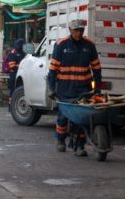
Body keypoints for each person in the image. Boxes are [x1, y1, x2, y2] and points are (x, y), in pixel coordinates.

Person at [47, 19, 102, 156]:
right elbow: (53, 69)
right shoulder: (61, 45)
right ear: (70, 30)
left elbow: (96, 68)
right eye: (76, 30)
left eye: (81, 30)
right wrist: (51, 88)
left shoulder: (89, 45)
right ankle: (60, 140)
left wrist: (97, 88)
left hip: (84, 89)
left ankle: (80, 146)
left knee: (82, 119)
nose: (79, 33)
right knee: (63, 117)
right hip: (65, 89)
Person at [7, 39, 27, 108]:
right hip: (14, 74)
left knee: (19, 91)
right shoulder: (13, 53)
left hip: (21, 75)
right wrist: (21, 66)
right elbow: (12, 66)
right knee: (13, 91)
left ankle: (15, 105)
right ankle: (10, 106)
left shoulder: (23, 52)